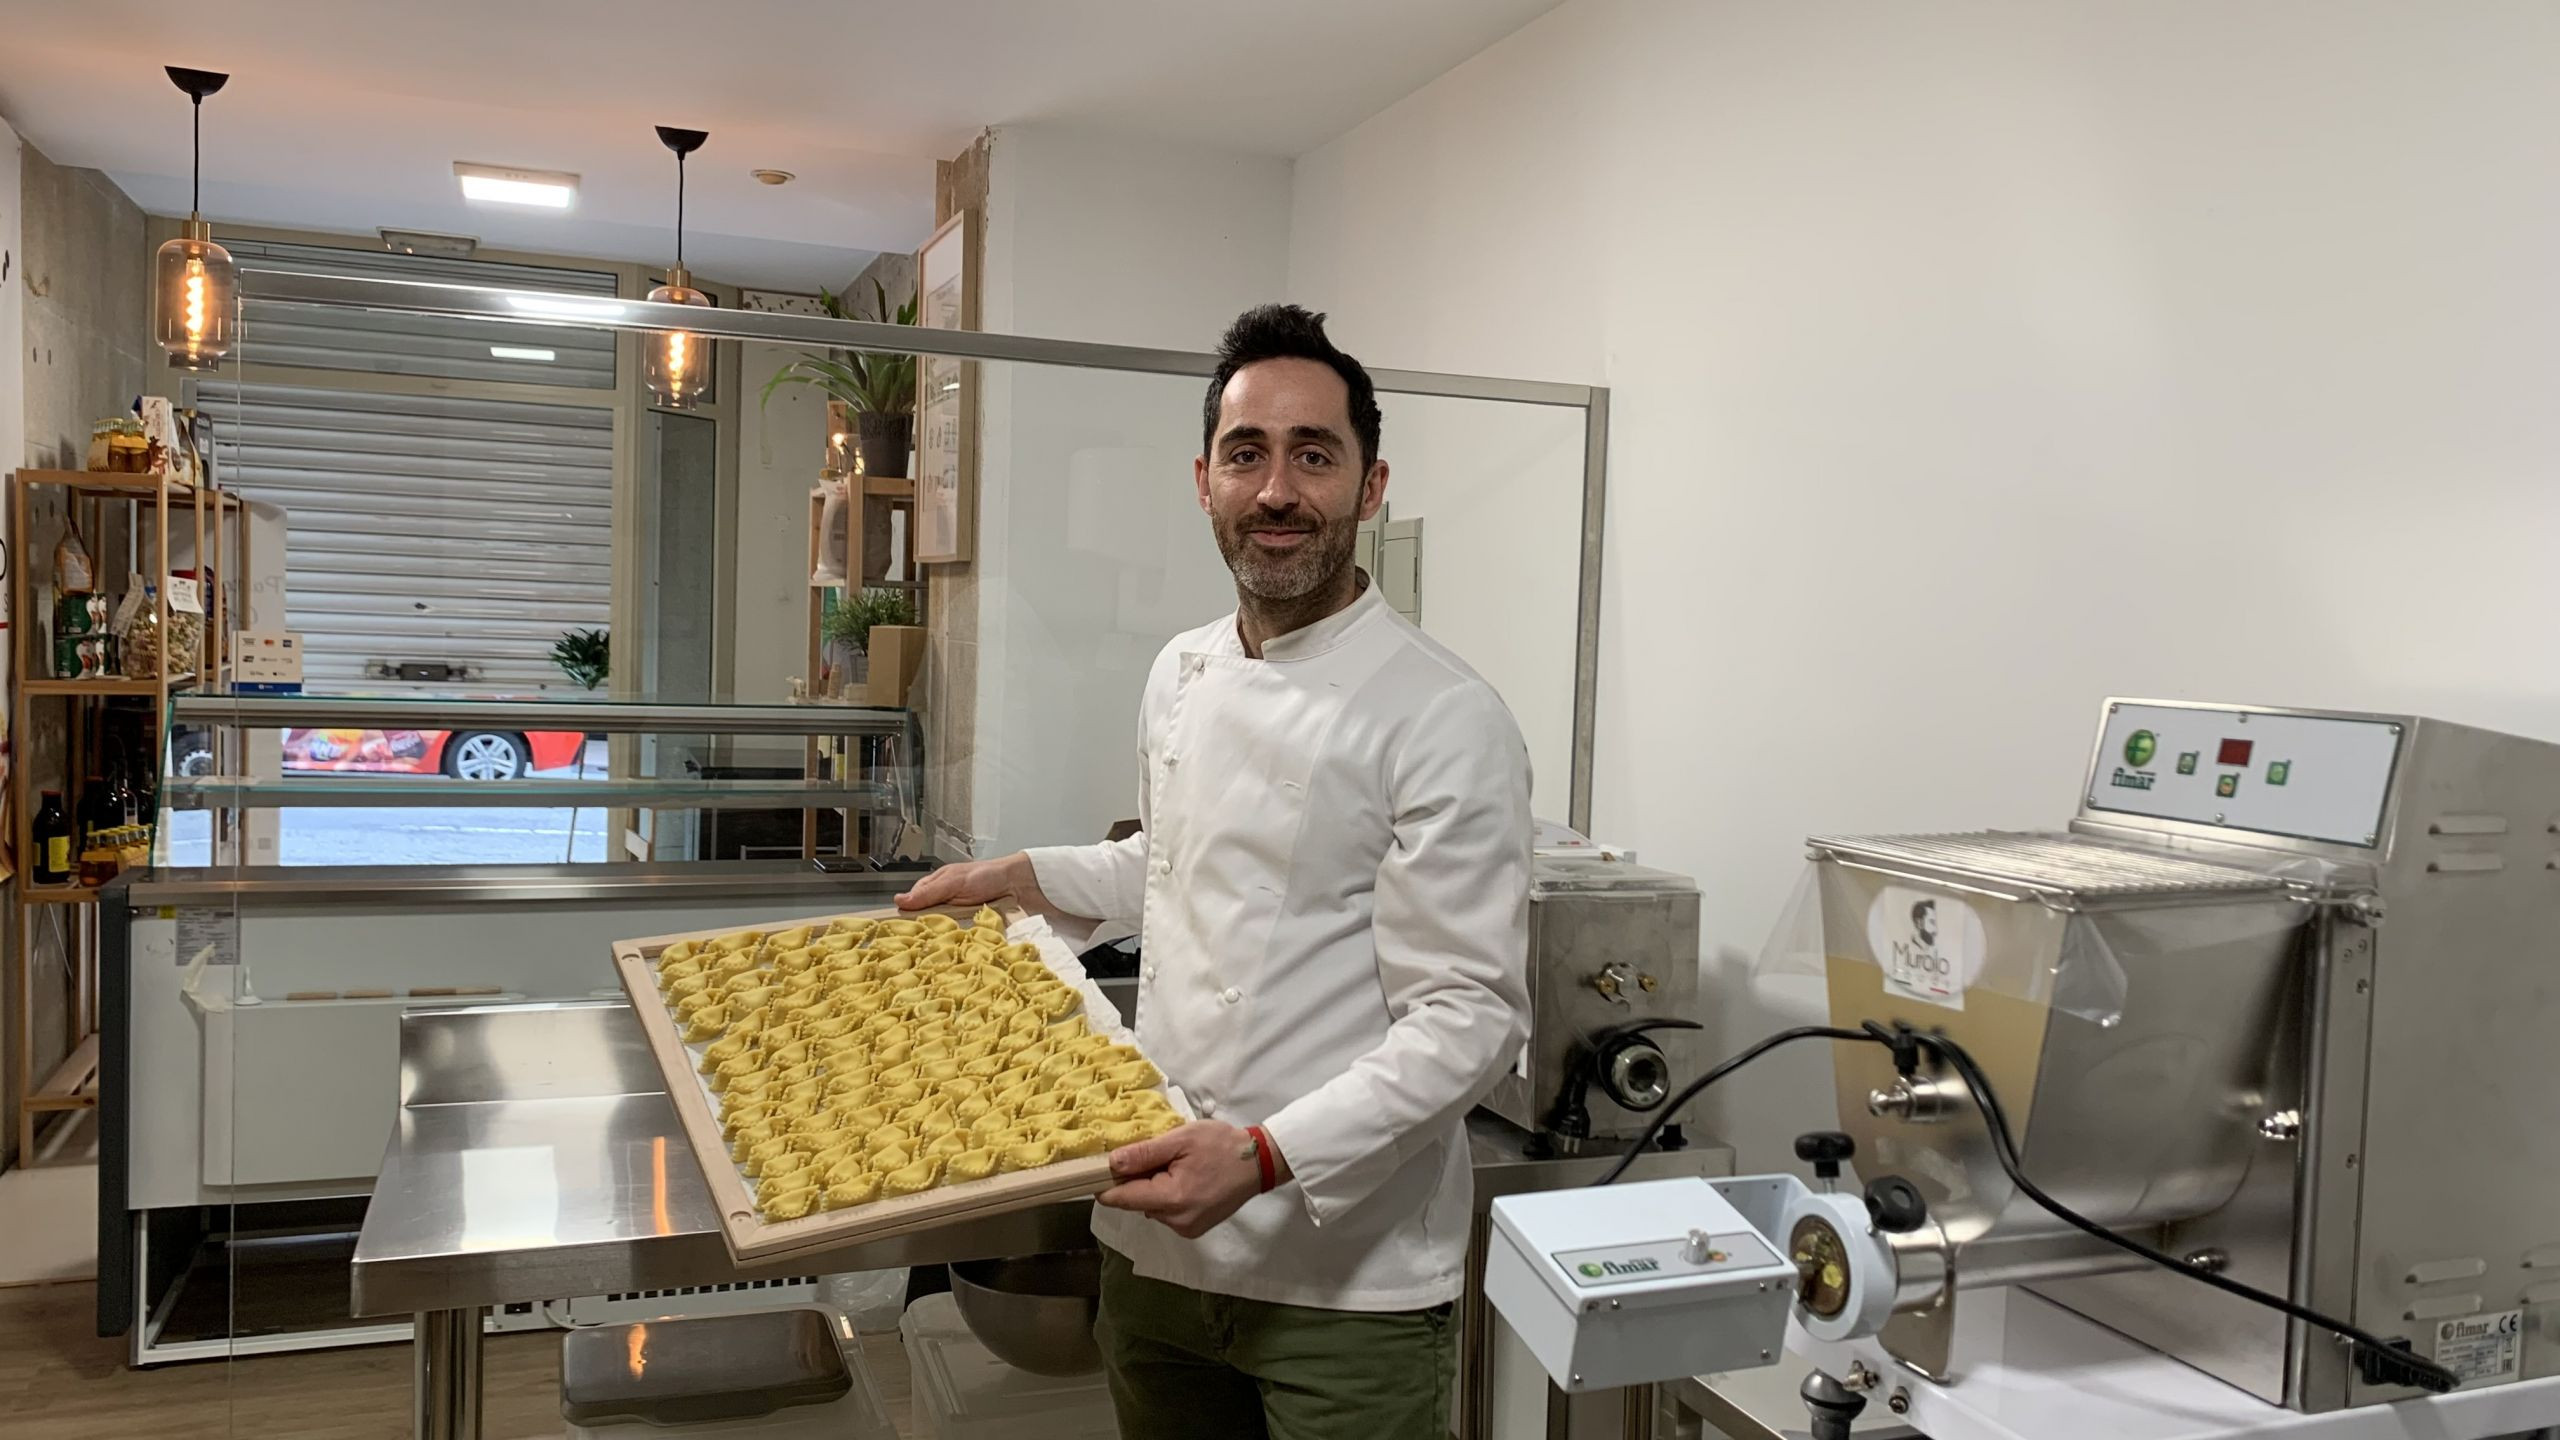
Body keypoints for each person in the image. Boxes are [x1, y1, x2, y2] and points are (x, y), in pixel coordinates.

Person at [897, 304, 1533, 1438]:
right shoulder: (1180, 669)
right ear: (1204, 481)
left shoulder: (1444, 715)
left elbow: (1470, 1019)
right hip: (1154, 1246)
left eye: (1313, 455)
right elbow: (1177, 868)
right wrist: (1028, 877)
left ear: (1369, 486)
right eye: (1248, 455)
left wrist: (1265, 1155)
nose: (1276, 490)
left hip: (1348, 1281)